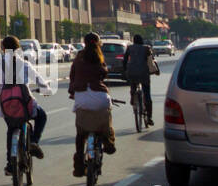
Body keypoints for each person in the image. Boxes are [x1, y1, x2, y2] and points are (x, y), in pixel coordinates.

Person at [0, 35, 51, 175]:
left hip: (7, 107)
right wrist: (46, 89)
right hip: (25, 105)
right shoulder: (24, 64)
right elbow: (39, 80)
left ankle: (10, 164)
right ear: (18, 49)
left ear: (3, 49)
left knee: (11, 129)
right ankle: (34, 142)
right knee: (42, 116)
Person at [67, 32, 116, 177]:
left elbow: (72, 75)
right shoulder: (99, 56)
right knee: (107, 117)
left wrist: (73, 91)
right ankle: (108, 141)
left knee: (80, 134)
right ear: (98, 43)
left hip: (81, 98)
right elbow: (104, 72)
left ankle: (79, 166)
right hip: (100, 97)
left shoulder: (79, 57)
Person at [122, 33, 158, 126]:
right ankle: (149, 117)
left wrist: (125, 70)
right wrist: (156, 70)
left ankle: (133, 96)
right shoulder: (146, 48)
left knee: (133, 84)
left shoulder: (129, 48)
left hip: (132, 72)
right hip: (143, 73)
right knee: (147, 95)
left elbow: (125, 60)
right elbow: (151, 61)